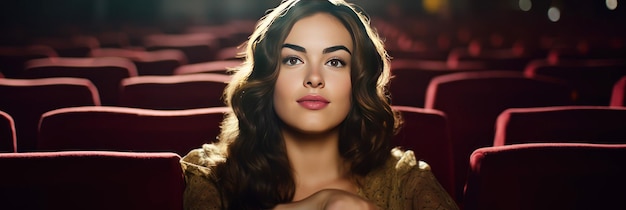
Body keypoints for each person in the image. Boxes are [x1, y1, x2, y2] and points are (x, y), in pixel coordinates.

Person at [181, 0, 459, 209]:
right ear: (269, 76)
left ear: (357, 81)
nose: (314, 78)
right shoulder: (210, 176)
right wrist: (319, 204)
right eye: (293, 60)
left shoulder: (405, 179)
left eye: (335, 62)